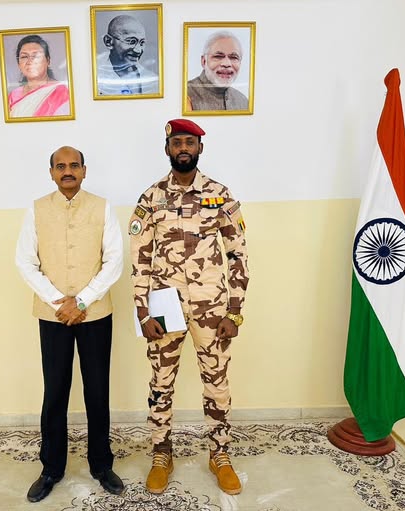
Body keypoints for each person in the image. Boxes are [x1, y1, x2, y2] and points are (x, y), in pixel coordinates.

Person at [129, 119, 249, 495]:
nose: (183, 148)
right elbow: (139, 259)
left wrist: (234, 310)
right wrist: (142, 311)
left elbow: (238, 255)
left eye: (190, 142)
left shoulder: (220, 195)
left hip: (212, 308)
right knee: (161, 383)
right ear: (167, 149)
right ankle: (161, 453)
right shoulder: (151, 198)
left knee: (217, 382)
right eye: (177, 142)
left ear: (200, 148)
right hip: (164, 308)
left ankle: (220, 454)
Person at [16, 146, 124, 502]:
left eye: (74, 165)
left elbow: (114, 261)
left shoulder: (103, 207)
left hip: (95, 313)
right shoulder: (36, 209)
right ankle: (51, 468)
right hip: (53, 315)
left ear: (84, 170)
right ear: (51, 173)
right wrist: (59, 302)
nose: (67, 171)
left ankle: (101, 465)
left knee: (97, 390)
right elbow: (25, 262)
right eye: (60, 166)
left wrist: (81, 301)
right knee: (55, 391)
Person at [8, 34, 70, 118]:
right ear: (19, 64)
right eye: (24, 57)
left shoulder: (62, 92)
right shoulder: (13, 96)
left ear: (48, 61)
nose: (30, 61)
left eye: (36, 56)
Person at [97, 14, 159, 96]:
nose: (138, 50)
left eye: (142, 43)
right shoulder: (96, 78)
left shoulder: (153, 81)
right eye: (131, 41)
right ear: (108, 42)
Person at [187, 31, 248, 111]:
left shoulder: (243, 101)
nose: (226, 64)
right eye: (218, 56)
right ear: (204, 61)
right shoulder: (184, 94)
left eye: (234, 57)